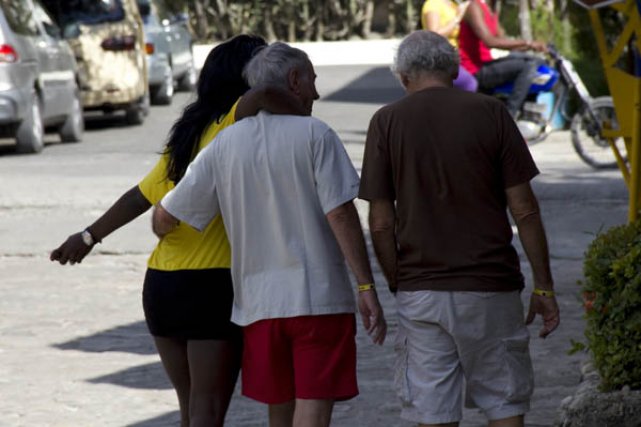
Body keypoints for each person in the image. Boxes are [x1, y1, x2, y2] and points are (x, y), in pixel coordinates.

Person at [50, 34, 303, 427]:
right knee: (207, 409)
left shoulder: (187, 133)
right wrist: (298, 102)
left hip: (162, 286)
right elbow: (265, 94)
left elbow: (139, 196)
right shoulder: (233, 120)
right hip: (210, 285)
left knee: (190, 408)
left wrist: (88, 237)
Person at [152, 42, 387, 427]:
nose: (317, 91)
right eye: (312, 79)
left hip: (257, 305)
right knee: (312, 404)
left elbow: (166, 215)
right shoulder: (316, 134)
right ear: (294, 80)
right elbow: (341, 213)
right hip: (318, 298)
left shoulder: (225, 143)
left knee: (279, 405)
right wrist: (366, 287)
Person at [359, 31, 560, 427]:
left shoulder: (386, 122)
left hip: (422, 292)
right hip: (491, 287)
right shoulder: (491, 113)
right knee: (504, 404)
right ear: (453, 69)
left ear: (403, 76)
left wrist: (399, 282)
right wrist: (544, 287)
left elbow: (381, 222)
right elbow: (526, 211)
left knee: (433, 412)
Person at [458, 0, 547, 117]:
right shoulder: (474, 7)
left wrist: (532, 47)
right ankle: (510, 115)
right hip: (475, 69)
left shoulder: (492, 10)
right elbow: (490, 41)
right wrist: (529, 43)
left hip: (487, 63)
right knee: (527, 66)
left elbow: (504, 41)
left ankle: (529, 110)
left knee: (535, 61)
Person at [420, 0, 478, 92]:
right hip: (439, 58)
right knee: (470, 84)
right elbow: (434, 34)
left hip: (456, 57)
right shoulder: (432, 4)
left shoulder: (453, 4)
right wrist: (457, 18)